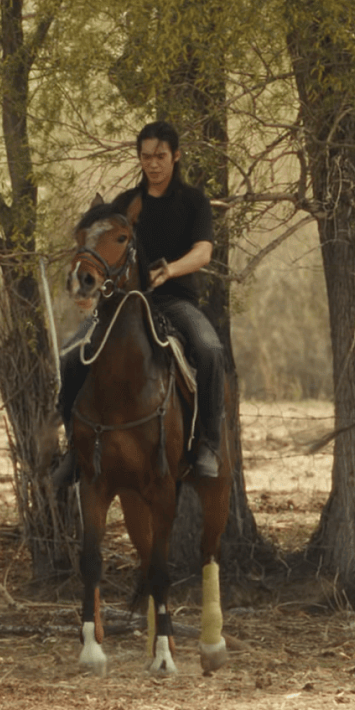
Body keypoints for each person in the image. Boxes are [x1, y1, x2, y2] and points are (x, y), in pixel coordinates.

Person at [52, 121, 227, 485]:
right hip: (125, 305)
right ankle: (73, 449)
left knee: (210, 349)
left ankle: (208, 443)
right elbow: (97, 244)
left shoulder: (193, 201)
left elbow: (204, 253)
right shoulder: (125, 204)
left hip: (176, 302)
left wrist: (171, 269)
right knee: (70, 353)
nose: (153, 164)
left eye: (161, 156)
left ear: (175, 157)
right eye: (146, 156)